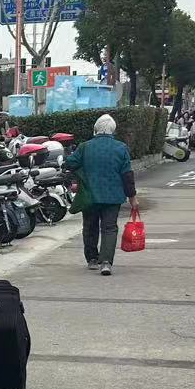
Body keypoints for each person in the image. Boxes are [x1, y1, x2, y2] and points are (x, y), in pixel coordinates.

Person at [65, 113, 138, 276]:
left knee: (90, 227)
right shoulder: (121, 148)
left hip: (89, 195)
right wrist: (132, 197)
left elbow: (70, 163)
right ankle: (106, 262)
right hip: (113, 196)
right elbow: (127, 175)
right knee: (109, 228)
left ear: (96, 129)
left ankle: (92, 259)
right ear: (113, 130)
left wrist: (81, 173)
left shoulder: (85, 147)